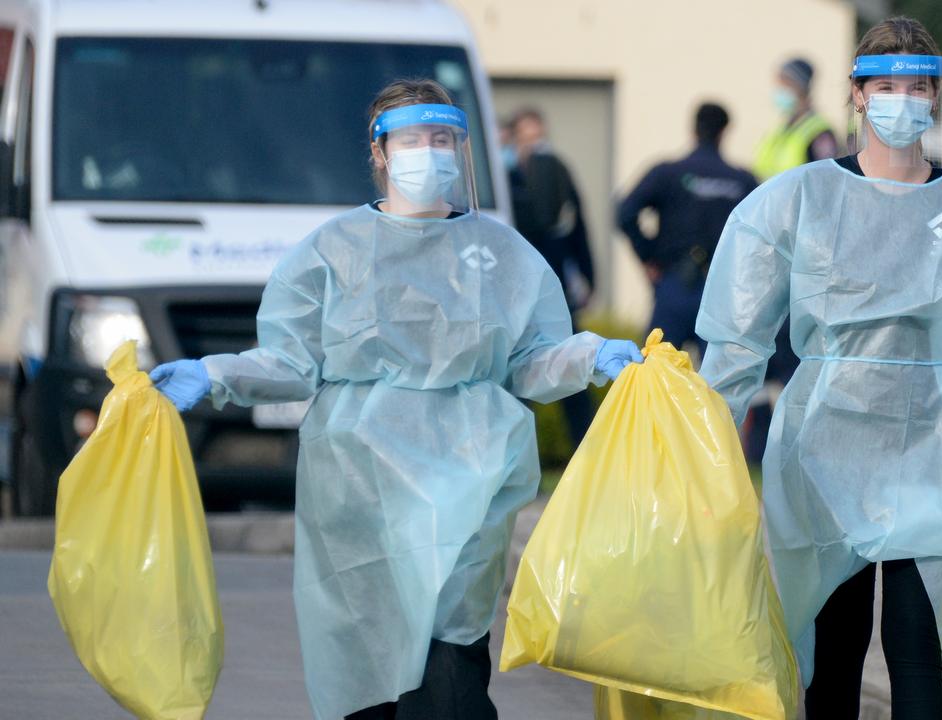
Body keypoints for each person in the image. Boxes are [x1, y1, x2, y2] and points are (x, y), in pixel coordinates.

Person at [147, 79, 642, 720]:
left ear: (462, 147)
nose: (430, 153)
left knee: (451, 670)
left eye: (443, 139)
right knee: (367, 662)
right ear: (379, 152)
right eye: (413, 139)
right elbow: (292, 363)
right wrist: (214, 373)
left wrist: (589, 356)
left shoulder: (500, 252)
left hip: (469, 476)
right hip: (358, 484)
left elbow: (528, 362)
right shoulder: (332, 252)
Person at [695, 17, 942, 719]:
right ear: (856, 95)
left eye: (919, 88)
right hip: (825, 450)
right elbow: (738, 333)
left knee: (915, 644)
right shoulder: (796, 201)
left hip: (929, 446)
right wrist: (702, 434)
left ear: (937, 98)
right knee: (834, 648)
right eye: (887, 87)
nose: (903, 102)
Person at [745, 58, 839, 462]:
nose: (778, 90)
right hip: (772, 258)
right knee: (767, 358)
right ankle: (760, 450)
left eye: (784, 83)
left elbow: (829, 194)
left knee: (792, 359)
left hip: (804, 261)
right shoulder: (776, 135)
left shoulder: (818, 134)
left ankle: (794, 449)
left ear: (800, 86)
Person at [616, 102, 756, 354]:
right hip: (720, 292)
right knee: (720, 384)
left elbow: (624, 213)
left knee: (655, 377)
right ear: (724, 132)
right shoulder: (741, 180)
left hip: (673, 284)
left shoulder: (667, 173)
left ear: (693, 130)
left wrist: (648, 256)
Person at [506, 107, 597, 447]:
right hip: (514, 289)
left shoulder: (555, 170)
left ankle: (585, 453)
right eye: (527, 137)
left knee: (570, 370)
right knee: (519, 373)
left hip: (554, 283)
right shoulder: (505, 176)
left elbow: (576, 226)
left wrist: (588, 276)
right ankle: (515, 457)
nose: (535, 145)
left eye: (538, 137)